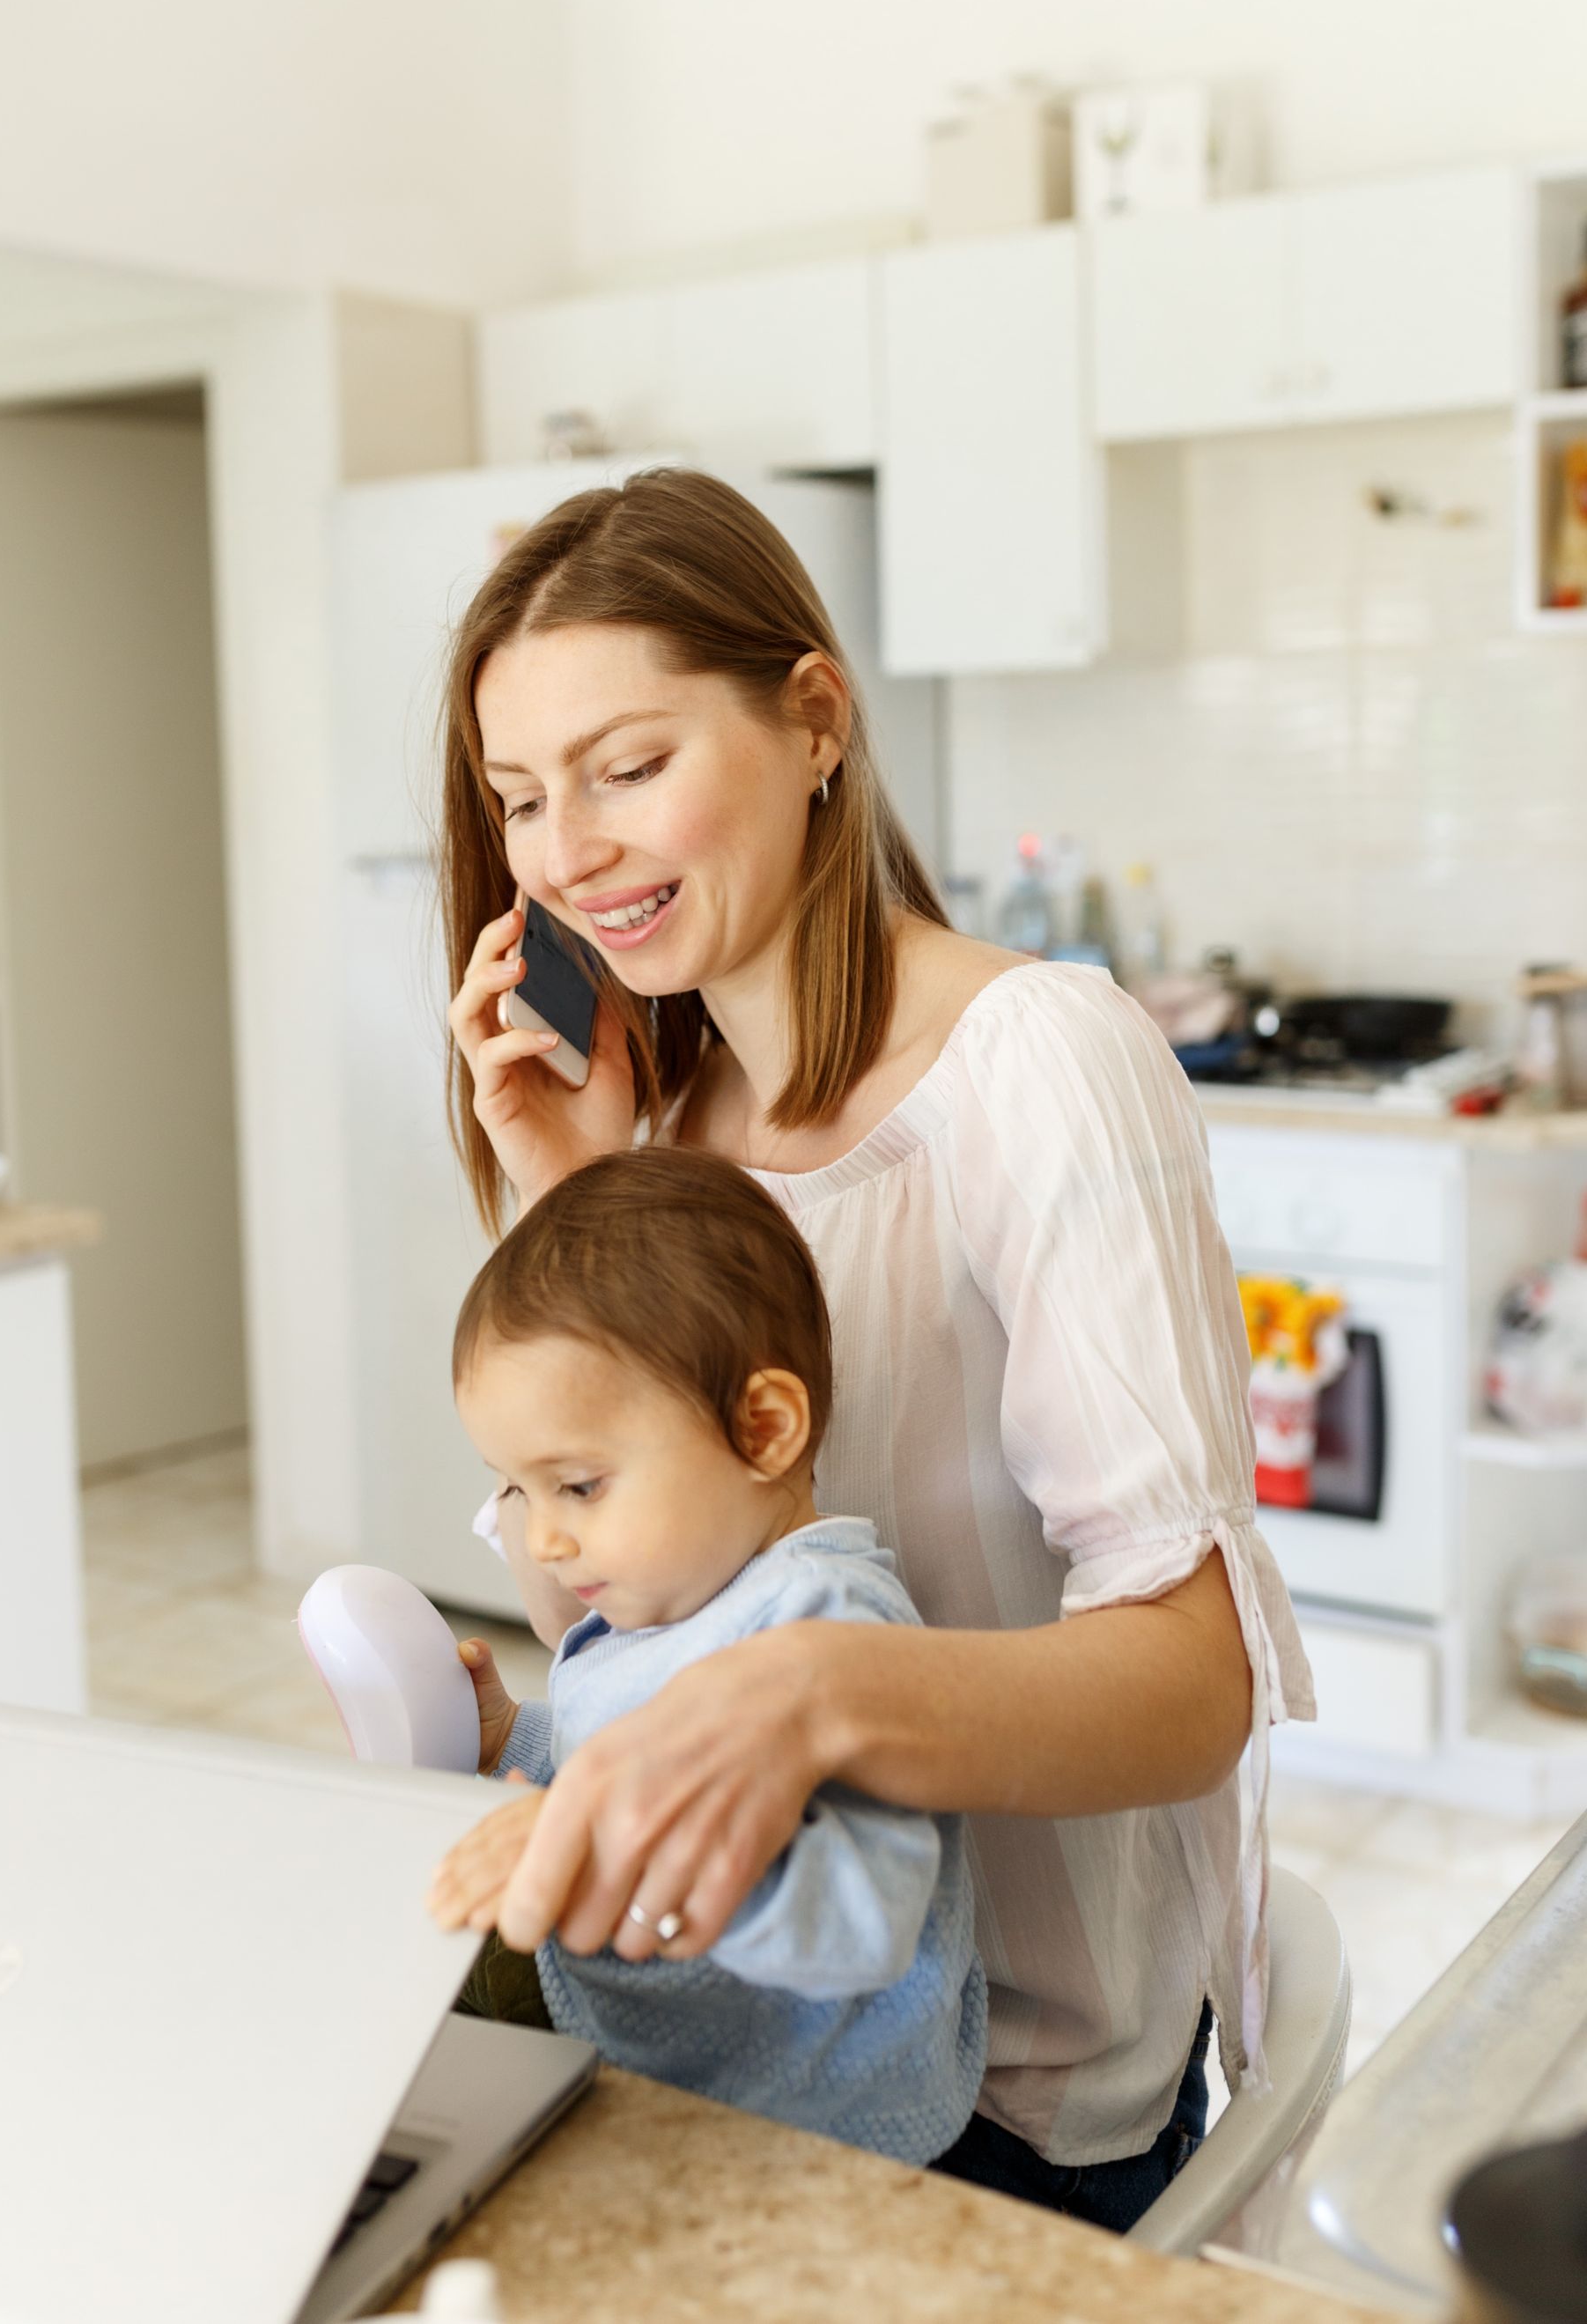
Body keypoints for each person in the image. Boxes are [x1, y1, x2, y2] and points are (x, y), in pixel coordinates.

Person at [438, 466, 1313, 2232]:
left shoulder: (1038, 1062)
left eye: (629, 765)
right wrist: (576, 1200)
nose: (565, 850)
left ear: (815, 719)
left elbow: (1195, 1680)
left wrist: (806, 1697)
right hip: (749, 2042)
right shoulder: (660, 1123)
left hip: (1008, 2103)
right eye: (522, 797)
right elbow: (655, 1611)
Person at [425, 1146, 986, 2165]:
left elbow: (866, 1917)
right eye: (517, 1491)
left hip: (816, 2129)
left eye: (579, 1487)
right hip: (665, 2089)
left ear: (763, 1429)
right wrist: (519, 1737)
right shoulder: (667, 1599)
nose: (543, 1541)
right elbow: (627, 1747)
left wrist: (617, 1843)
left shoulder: (825, 1623)